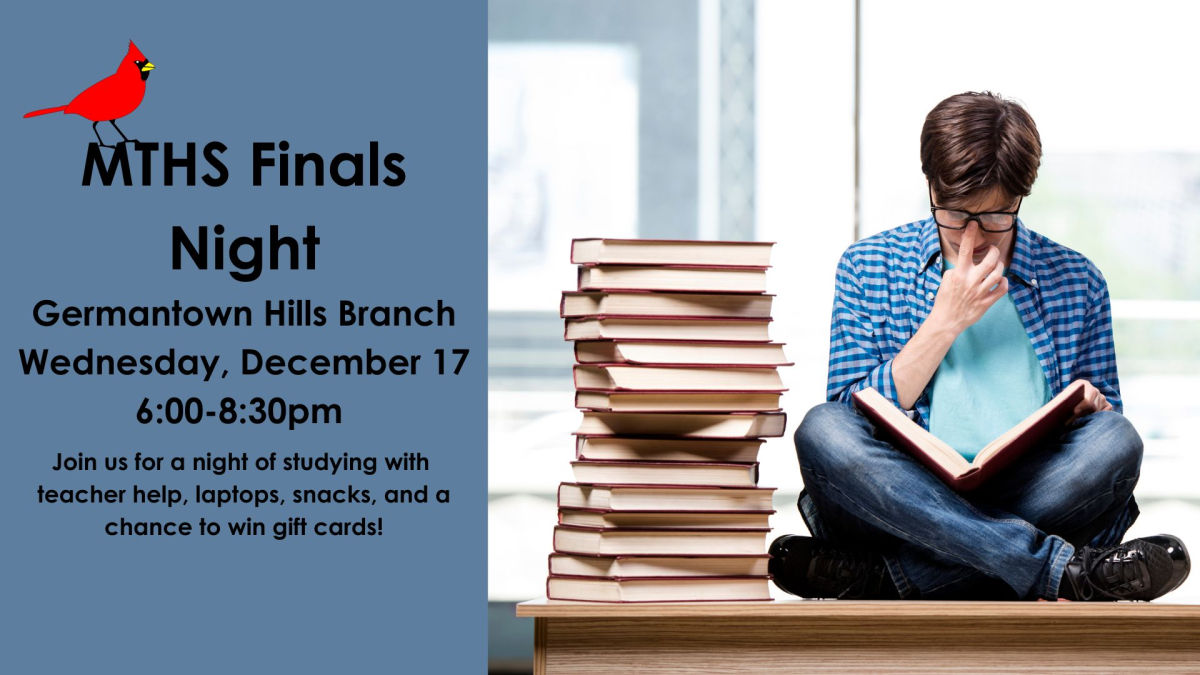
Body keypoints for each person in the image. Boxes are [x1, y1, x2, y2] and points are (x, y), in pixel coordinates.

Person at [769, 91, 1190, 601]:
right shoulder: (868, 264)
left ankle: (888, 578)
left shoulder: (1077, 280)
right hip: (902, 499)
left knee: (1116, 440)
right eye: (955, 215)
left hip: (1030, 496)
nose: (974, 235)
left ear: (1020, 197)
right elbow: (849, 418)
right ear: (931, 187)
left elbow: (1101, 449)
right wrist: (944, 323)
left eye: (995, 217)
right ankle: (1059, 571)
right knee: (823, 429)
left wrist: (1091, 409)